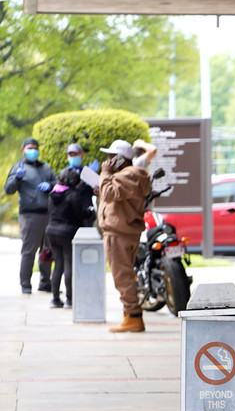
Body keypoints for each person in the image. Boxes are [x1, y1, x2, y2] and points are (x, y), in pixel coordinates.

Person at [98, 139, 157, 333]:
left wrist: (105, 174)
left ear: (119, 160)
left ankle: (133, 316)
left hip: (118, 233)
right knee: (125, 274)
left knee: (122, 276)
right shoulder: (131, 175)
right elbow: (114, 195)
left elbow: (108, 194)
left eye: (111, 157)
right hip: (124, 232)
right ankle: (129, 315)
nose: (107, 161)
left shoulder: (128, 174)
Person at [5, 137, 57, 294]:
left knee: (47, 250)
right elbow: (8, 189)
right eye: (29, 148)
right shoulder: (19, 167)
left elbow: (57, 184)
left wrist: (51, 186)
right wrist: (17, 178)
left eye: (35, 147)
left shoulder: (46, 168)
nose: (33, 150)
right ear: (23, 150)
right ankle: (25, 283)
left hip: (48, 213)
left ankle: (45, 282)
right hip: (30, 215)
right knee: (29, 250)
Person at [45, 165, 95, 308]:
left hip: (52, 231)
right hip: (67, 232)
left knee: (58, 265)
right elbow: (80, 214)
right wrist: (90, 212)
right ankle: (69, 299)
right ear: (74, 181)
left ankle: (55, 299)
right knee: (68, 264)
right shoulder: (73, 194)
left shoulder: (52, 193)